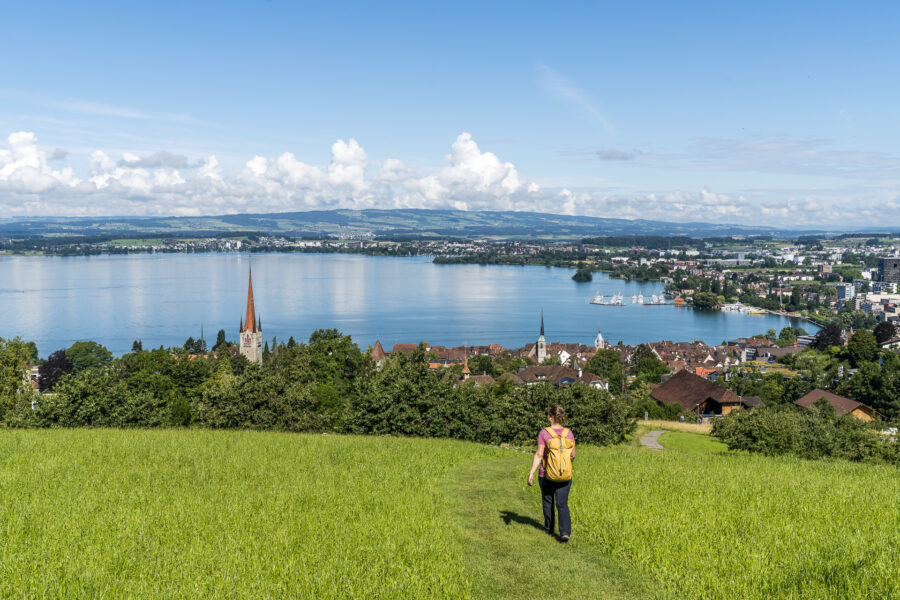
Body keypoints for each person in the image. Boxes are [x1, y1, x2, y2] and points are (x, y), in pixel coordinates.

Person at [527, 404, 575, 541]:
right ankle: (565, 532)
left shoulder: (544, 433)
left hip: (546, 474)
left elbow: (539, 454)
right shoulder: (569, 433)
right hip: (565, 475)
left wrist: (531, 473)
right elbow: (572, 455)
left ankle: (548, 530)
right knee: (562, 503)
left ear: (550, 417)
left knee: (548, 501)